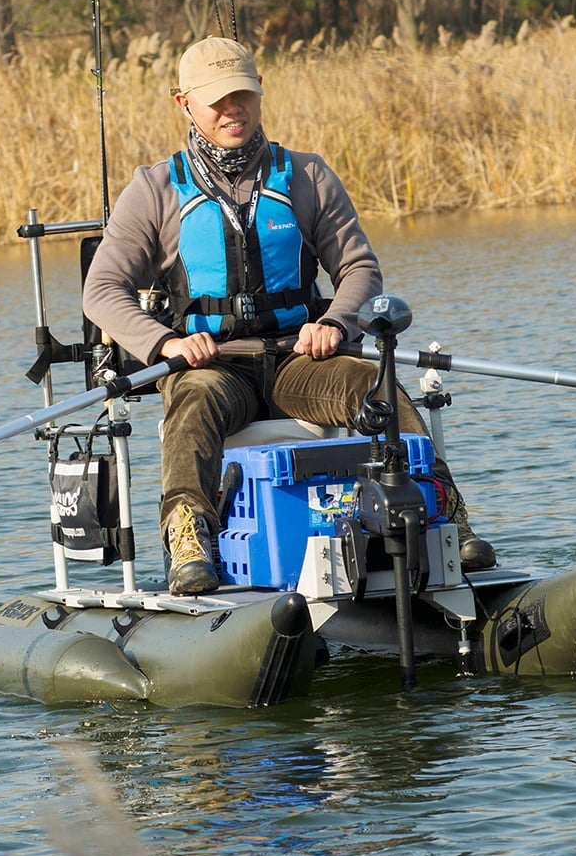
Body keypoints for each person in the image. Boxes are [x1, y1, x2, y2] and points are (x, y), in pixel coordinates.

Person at [81, 35, 496, 594]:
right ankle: (189, 541)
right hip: (213, 366)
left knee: (376, 382)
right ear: (183, 102)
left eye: (243, 96)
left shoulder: (306, 176)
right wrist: (164, 344)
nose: (234, 110)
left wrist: (335, 323)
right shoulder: (155, 188)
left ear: (259, 93)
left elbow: (360, 271)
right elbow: (102, 291)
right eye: (217, 100)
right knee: (194, 401)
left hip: (298, 361)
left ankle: (443, 512)